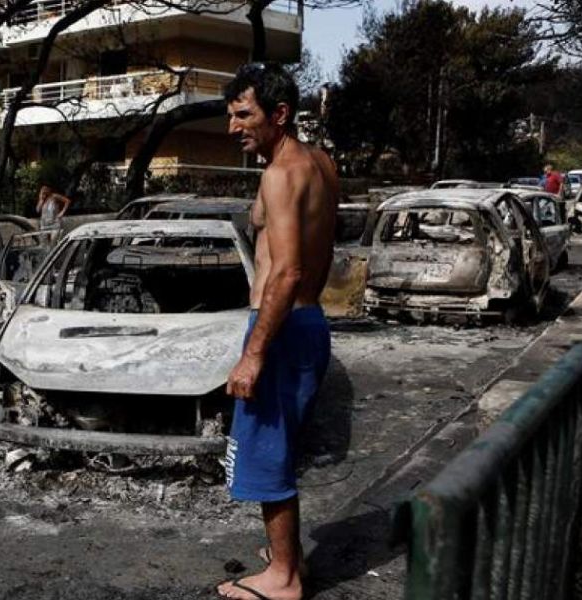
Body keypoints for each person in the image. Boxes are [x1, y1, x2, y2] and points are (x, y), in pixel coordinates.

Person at [216, 62, 338, 600]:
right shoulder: (320, 164)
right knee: (282, 448)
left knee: (265, 451)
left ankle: (283, 577)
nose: (233, 127)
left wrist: (254, 353)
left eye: (244, 115)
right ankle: (285, 556)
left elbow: (287, 271)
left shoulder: (280, 174)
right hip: (308, 322)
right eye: (231, 115)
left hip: (282, 327)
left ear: (280, 114)